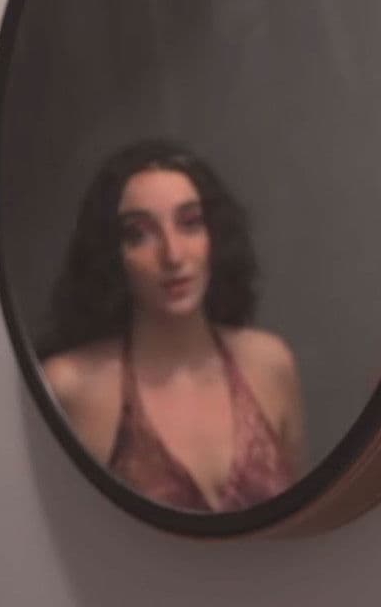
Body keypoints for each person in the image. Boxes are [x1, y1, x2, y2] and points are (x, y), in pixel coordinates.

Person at [38, 139, 305, 512]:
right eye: (139, 234)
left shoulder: (268, 363)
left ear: (215, 235)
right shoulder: (73, 386)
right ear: (111, 253)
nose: (173, 255)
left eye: (190, 223)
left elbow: (302, 521)